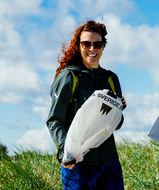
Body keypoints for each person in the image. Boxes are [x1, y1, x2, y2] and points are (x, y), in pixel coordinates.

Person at [46, 20, 126, 190]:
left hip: (109, 164)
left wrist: (118, 111)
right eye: (86, 44)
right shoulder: (69, 77)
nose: (92, 49)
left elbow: (116, 125)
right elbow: (54, 120)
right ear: (78, 45)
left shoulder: (111, 79)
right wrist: (66, 151)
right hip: (77, 166)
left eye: (97, 44)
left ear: (103, 46)